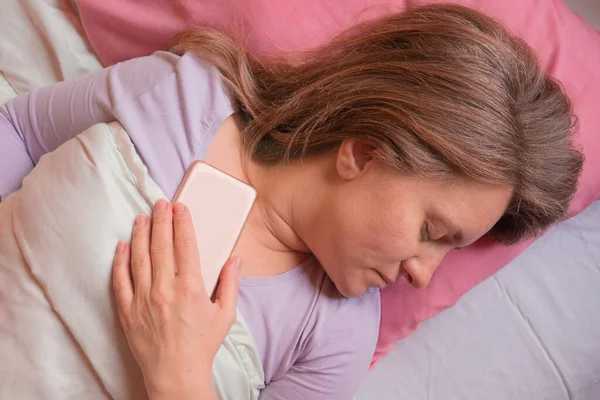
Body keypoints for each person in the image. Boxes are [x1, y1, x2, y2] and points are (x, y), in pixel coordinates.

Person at [0, 4, 583, 399]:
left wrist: (176, 374)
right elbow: (19, 132)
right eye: (433, 231)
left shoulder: (335, 338)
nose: (424, 276)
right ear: (363, 151)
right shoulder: (182, 94)